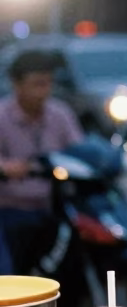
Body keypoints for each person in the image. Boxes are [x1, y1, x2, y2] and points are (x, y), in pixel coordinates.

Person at [0, 49, 83, 274]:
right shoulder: (2, 116)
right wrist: (9, 168)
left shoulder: (60, 114)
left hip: (53, 208)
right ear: (16, 85)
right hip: (9, 210)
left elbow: (79, 151)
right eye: (37, 84)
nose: (43, 91)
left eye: (48, 83)